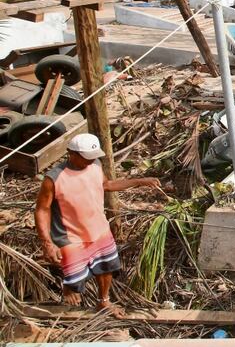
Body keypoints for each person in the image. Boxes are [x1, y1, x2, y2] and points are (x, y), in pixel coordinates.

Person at [35, 133, 160, 314]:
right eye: (86, 158)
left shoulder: (95, 165)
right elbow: (42, 209)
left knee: (106, 267)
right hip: (71, 235)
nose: (90, 161)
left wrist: (139, 182)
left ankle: (104, 301)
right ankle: (69, 288)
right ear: (71, 153)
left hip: (99, 229)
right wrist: (47, 242)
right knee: (73, 276)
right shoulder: (54, 178)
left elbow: (106, 185)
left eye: (93, 157)